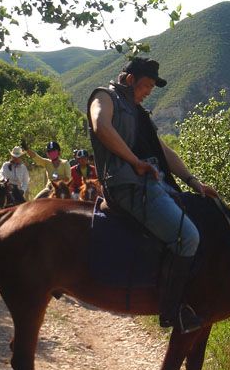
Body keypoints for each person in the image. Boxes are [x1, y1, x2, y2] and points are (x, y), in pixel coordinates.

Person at [87, 57, 218, 334]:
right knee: (188, 237)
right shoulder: (104, 96)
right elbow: (101, 126)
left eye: (151, 87)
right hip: (126, 184)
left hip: (150, 181)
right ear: (130, 78)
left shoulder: (139, 113)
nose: (148, 91)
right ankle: (173, 311)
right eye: (146, 84)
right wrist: (135, 161)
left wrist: (195, 183)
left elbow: (165, 153)